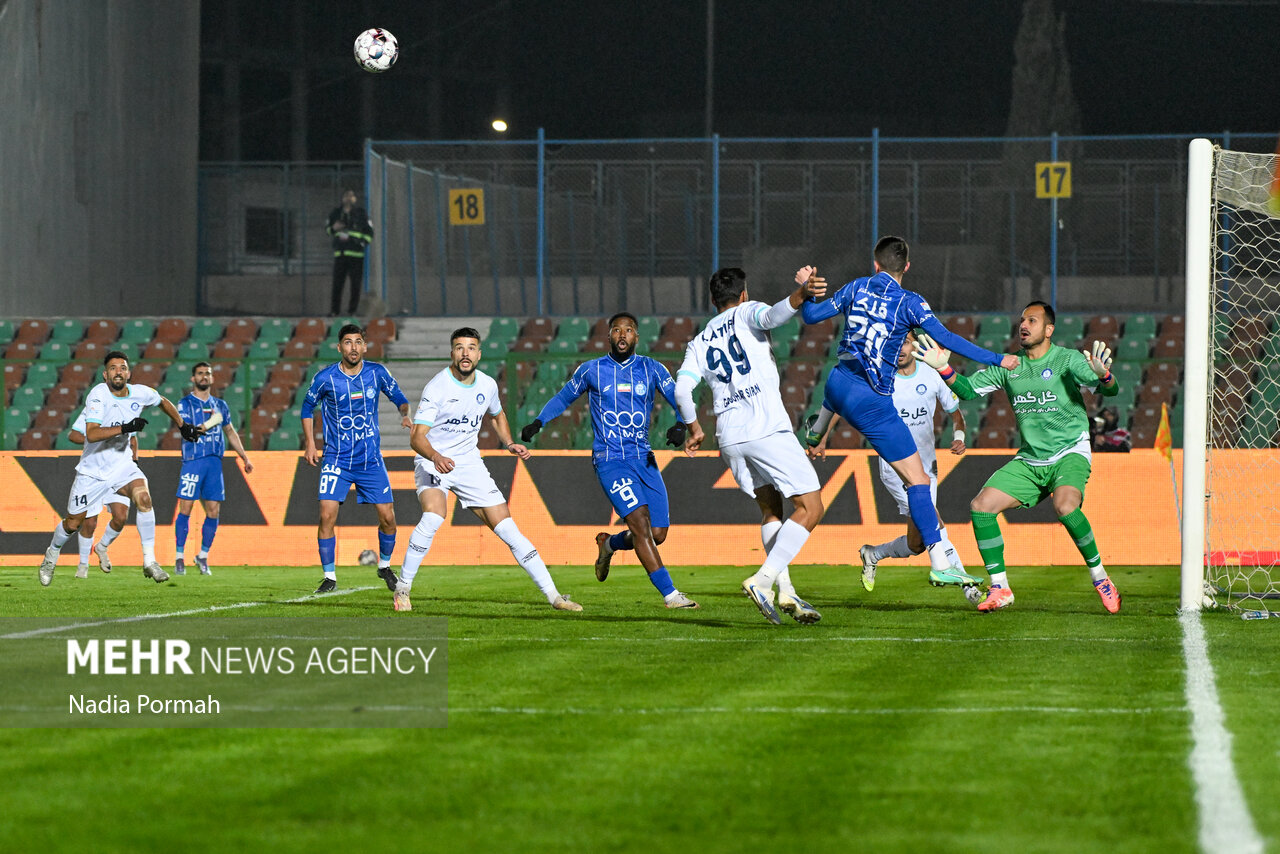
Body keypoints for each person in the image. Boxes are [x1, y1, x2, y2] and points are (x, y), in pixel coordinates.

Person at [799, 236, 1013, 588]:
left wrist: (807, 290)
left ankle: (815, 430)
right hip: (871, 399)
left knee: (838, 387)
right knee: (919, 481)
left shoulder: (855, 287)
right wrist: (996, 358)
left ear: (875, 263)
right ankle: (941, 562)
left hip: (837, 383)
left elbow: (809, 315)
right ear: (907, 267)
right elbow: (949, 339)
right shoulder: (910, 303)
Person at [912, 300, 1123, 613]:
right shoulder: (1010, 365)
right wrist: (943, 367)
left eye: (1033, 321)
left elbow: (1112, 391)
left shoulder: (1066, 359)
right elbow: (968, 391)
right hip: (1030, 459)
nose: (1024, 325)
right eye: (1023, 320)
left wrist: (1104, 376)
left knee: (1065, 505)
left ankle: (1100, 578)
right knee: (980, 507)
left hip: (1069, 452)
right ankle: (1000, 588)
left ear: (1049, 329)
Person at [675, 266, 827, 625]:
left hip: (730, 437)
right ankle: (763, 580)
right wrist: (801, 295)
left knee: (772, 510)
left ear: (712, 301)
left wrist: (694, 428)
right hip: (765, 429)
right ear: (743, 294)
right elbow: (773, 315)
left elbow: (682, 389)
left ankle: (786, 590)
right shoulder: (747, 312)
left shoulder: (698, 342)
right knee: (811, 507)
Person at [394, 328, 582, 613]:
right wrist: (436, 456)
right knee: (433, 517)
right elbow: (417, 438)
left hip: (469, 463)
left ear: (479, 354)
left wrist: (508, 443)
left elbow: (498, 415)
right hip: (433, 459)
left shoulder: (487, 385)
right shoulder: (437, 387)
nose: (465, 353)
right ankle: (403, 589)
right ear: (452, 353)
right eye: (459, 348)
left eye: (471, 348)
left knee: (508, 529)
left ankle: (555, 597)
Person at [520, 312, 698, 610]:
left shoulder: (652, 368)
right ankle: (671, 595)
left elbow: (678, 395)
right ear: (609, 336)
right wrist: (539, 422)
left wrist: (681, 424)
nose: (623, 335)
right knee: (640, 525)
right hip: (610, 460)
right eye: (617, 330)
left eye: (629, 330)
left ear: (637, 337)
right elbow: (564, 397)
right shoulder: (592, 370)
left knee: (658, 533)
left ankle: (609, 544)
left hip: (644, 459)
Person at [805, 331, 967, 591]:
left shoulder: (932, 374)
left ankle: (873, 554)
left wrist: (958, 436)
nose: (900, 348)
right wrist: (822, 435)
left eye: (904, 341)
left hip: (927, 468)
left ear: (914, 344)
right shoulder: (879, 377)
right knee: (936, 525)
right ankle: (969, 589)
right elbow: (841, 401)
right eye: (894, 342)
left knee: (917, 543)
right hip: (896, 468)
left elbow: (956, 415)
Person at [38, 351, 200, 586]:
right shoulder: (98, 395)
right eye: (113, 368)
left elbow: (162, 401)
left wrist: (183, 426)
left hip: (122, 465)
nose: (118, 372)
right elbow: (91, 434)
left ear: (128, 373)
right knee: (73, 523)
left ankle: (149, 561)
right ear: (105, 375)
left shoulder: (140, 393)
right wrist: (125, 428)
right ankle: (51, 556)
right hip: (93, 471)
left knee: (143, 498)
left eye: (122, 367)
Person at [301, 323, 410, 594]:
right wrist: (310, 444)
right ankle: (329, 577)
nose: (353, 347)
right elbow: (306, 407)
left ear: (364, 346)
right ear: (339, 347)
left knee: (388, 517)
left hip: (370, 460)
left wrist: (405, 414)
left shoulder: (377, 372)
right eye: (348, 342)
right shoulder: (325, 378)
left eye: (358, 341)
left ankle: (384, 566)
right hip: (336, 459)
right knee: (326, 516)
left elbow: (400, 398)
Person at [173, 362, 254, 576]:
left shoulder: (221, 405)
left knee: (213, 511)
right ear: (193, 379)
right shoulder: (184, 404)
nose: (203, 377)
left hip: (214, 462)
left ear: (212, 378)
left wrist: (244, 457)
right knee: (186, 508)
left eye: (207, 374)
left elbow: (230, 432)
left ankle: (203, 556)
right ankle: (179, 557)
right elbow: (189, 430)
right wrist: (209, 424)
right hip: (193, 460)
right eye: (199, 373)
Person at [67, 410, 134, 578]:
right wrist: (96, 442)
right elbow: (73, 435)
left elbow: (132, 439)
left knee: (121, 517)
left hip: (118, 472)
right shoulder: (93, 411)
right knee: (89, 523)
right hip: (94, 474)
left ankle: (102, 546)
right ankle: (83, 565)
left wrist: (136, 462)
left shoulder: (126, 410)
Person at [327, 189, 373, 317]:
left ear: (355, 199)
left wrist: (362, 243)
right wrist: (333, 228)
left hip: (356, 255)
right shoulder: (336, 213)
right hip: (340, 254)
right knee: (337, 284)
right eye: (346, 195)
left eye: (351, 196)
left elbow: (369, 232)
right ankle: (334, 310)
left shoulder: (361, 213)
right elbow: (328, 230)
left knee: (355, 284)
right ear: (342, 198)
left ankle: (352, 311)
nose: (348, 198)